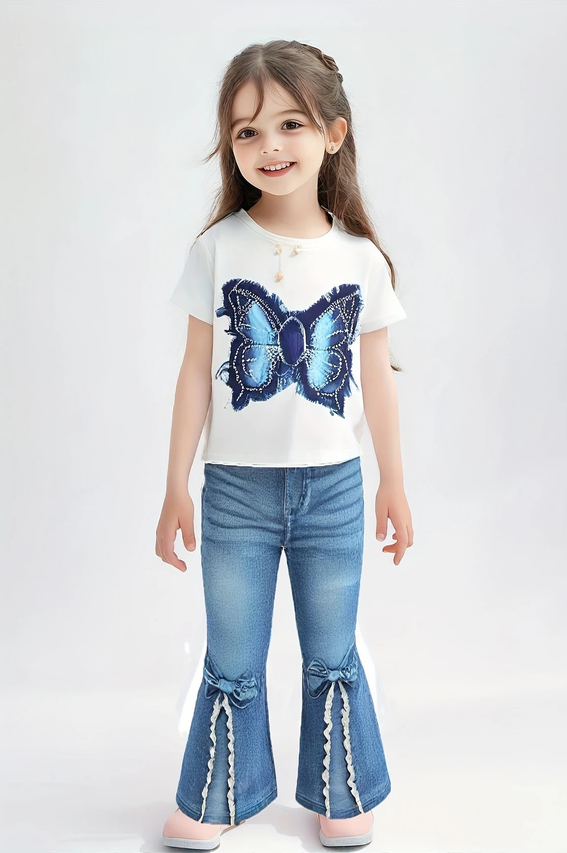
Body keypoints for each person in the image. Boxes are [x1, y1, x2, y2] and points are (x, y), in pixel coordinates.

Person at [156, 39, 414, 851]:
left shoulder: (360, 260)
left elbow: (378, 381)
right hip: (235, 492)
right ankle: (219, 796)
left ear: (333, 134)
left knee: (330, 650)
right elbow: (195, 373)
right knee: (233, 651)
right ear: (230, 146)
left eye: (290, 124)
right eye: (247, 131)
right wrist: (175, 484)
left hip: (334, 489)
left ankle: (342, 791)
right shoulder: (217, 249)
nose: (269, 145)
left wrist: (393, 482)